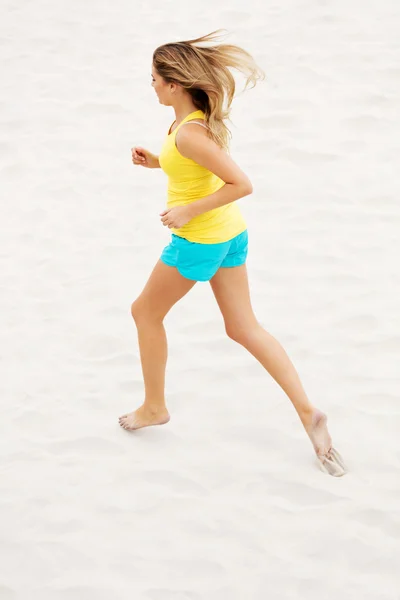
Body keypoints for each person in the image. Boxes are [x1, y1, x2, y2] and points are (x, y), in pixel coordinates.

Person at [119, 30, 347, 477]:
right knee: (244, 327)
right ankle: (308, 412)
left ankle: (153, 406)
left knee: (144, 312)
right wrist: (158, 162)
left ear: (174, 85)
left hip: (200, 241)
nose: (150, 85)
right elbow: (192, 162)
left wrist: (187, 212)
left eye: (153, 79)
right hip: (231, 238)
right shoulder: (188, 126)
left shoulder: (190, 135)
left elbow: (242, 184)